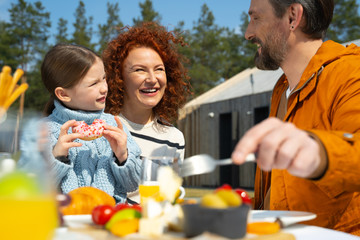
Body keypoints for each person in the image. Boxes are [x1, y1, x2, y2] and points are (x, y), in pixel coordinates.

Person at [231, 0, 360, 235]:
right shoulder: (281, 90)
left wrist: (317, 152)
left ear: (292, 17)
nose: (248, 33)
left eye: (256, 18)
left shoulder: (352, 74)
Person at [18, 43, 142, 203]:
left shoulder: (115, 125)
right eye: (93, 83)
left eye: (104, 78)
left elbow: (133, 183)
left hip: (108, 216)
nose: (104, 88)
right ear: (63, 94)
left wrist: (123, 156)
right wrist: (57, 157)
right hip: (63, 221)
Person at [103, 22, 191, 163]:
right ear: (119, 78)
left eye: (159, 69)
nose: (152, 79)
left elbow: (170, 185)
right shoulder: (102, 129)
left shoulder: (174, 138)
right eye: (140, 70)